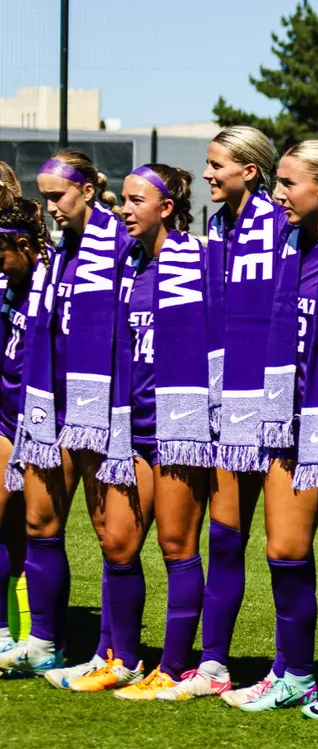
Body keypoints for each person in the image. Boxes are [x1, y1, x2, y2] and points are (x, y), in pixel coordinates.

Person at [239, 140, 318, 713]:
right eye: (277, 183)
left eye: (289, 184)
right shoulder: (286, 244)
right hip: (288, 420)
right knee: (285, 551)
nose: (278, 195)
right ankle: (293, 673)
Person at [0, 150, 132, 684]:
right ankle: (42, 644)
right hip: (48, 407)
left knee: (110, 535)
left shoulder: (118, 244)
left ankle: (112, 652)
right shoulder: (57, 255)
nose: (51, 205)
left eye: (58, 195)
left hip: (97, 408)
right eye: (46, 196)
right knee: (40, 524)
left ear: (87, 189)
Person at [165, 125, 283, 702]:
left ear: (250, 171)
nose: (207, 174)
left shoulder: (282, 226)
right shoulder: (215, 227)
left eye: (217, 165)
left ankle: (293, 671)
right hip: (224, 403)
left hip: (278, 408)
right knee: (226, 537)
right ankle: (213, 665)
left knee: (288, 549)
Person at [91, 165, 215, 700]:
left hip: (179, 428)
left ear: (166, 208)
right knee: (118, 543)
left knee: (175, 545)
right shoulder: (126, 265)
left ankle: (173, 666)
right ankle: (122, 660)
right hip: (131, 428)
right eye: (122, 199)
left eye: (135, 200)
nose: (124, 209)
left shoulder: (200, 260)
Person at [0, 196, 49, 658]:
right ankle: (4, 634)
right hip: (5, 417)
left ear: (24, 246)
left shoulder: (53, 284)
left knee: (29, 528)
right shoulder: (8, 285)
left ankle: (27, 634)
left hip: (39, 422)